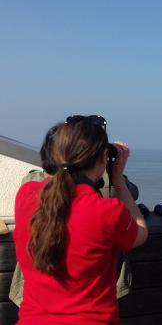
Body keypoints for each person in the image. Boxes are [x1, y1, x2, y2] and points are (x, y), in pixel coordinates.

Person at [13, 118, 148, 324]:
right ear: (103, 159)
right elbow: (140, 233)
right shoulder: (106, 211)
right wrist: (118, 179)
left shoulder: (26, 195)